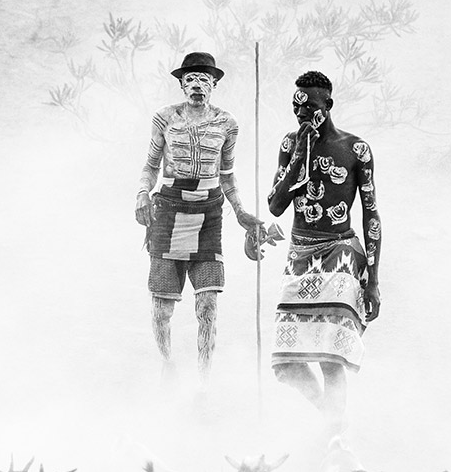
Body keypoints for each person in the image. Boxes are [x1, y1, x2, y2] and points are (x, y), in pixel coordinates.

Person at [136, 52, 263, 383]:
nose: (196, 86)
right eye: (190, 79)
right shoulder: (165, 119)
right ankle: (168, 362)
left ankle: (203, 384)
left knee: (207, 306)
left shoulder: (227, 124)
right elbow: (150, 166)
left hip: (209, 214)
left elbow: (228, 175)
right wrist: (140, 194)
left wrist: (241, 212)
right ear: (181, 84)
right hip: (168, 211)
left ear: (214, 85)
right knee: (162, 308)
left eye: (204, 80)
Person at [266, 71, 381, 420]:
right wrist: (300, 153)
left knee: (330, 357)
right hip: (300, 254)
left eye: (310, 107)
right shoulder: (290, 145)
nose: (301, 113)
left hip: (341, 253)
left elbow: (371, 215)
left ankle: (332, 433)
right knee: (286, 363)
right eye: (296, 107)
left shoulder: (355, 149)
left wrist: (373, 279)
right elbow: (275, 205)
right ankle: (331, 418)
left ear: (328, 106)